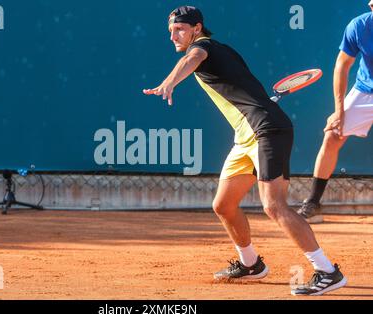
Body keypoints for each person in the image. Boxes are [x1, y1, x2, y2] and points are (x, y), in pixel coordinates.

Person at [143, 5, 347, 296]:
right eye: (171, 31)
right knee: (223, 205)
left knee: (273, 205)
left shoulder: (203, 48)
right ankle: (251, 264)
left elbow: (194, 57)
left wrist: (169, 82)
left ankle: (327, 270)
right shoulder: (222, 51)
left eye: (180, 30)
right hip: (246, 136)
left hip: (266, 130)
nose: (174, 36)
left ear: (197, 29)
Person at [298, 1, 373, 224]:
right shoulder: (359, 26)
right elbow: (342, 66)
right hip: (365, 91)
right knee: (332, 135)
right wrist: (338, 111)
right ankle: (313, 202)